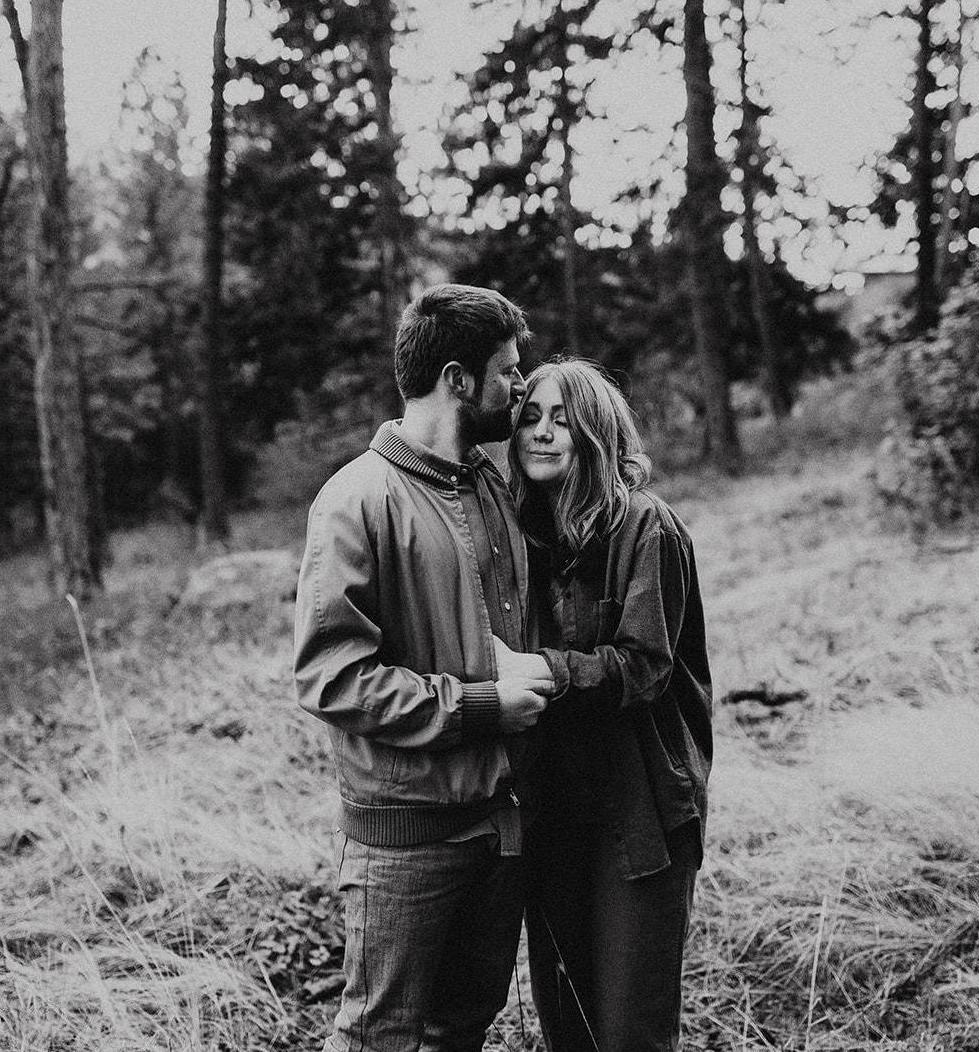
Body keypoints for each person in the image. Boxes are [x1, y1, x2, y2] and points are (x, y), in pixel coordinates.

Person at [293, 283, 554, 1052]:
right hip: (405, 842)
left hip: (498, 822)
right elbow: (332, 676)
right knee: (378, 1037)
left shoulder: (492, 486)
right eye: (508, 370)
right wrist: (483, 706)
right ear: (457, 380)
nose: (521, 386)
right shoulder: (356, 500)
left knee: (460, 1030)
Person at [497, 358, 713, 1052]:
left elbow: (643, 666)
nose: (542, 432)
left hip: (640, 812)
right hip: (552, 809)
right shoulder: (518, 540)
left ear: (597, 434)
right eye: (530, 418)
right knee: (570, 1026)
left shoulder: (647, 527)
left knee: (628, 1033)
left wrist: (542, 670)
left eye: (563, 421)